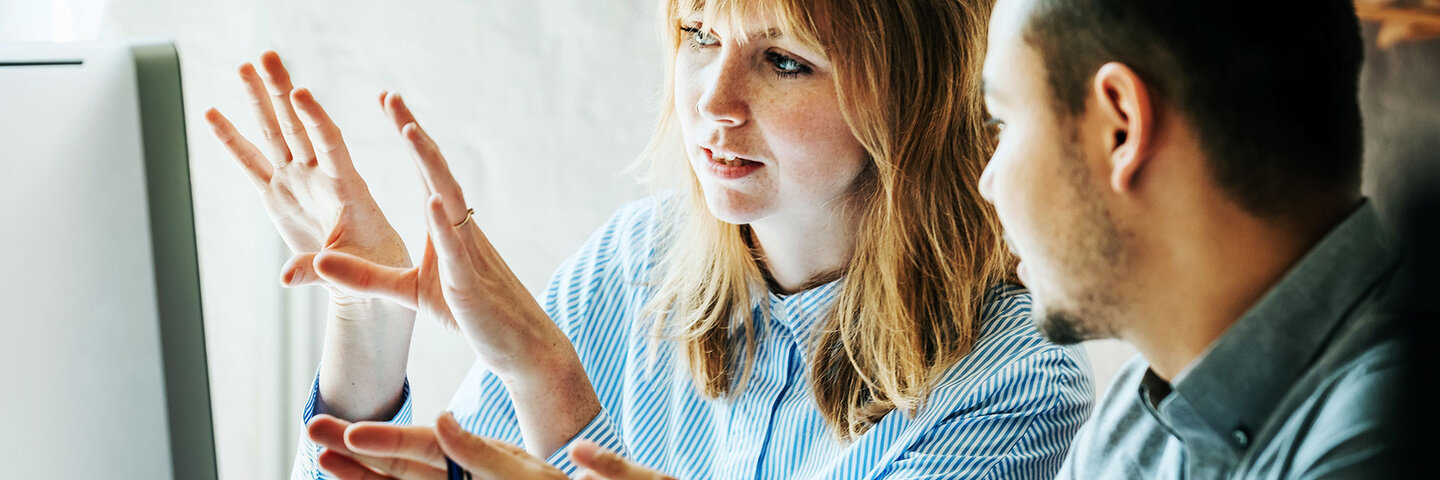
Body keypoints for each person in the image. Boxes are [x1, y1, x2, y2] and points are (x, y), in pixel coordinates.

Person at [205, 0, 1095, 478]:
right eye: (699, 34)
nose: (711, 100)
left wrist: (548, 380)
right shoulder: (633, 263)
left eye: (784, 60)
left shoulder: (1013, 382)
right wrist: (368, 316)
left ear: (917, 94)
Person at [977, 0, 1406, 477]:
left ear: (1121, 126)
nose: (988, 183)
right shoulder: (1133, 420)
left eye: (1002, 123)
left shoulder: (1391, 435)